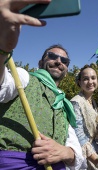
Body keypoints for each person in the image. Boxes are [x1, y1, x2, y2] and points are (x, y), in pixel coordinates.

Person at [0, 1, 84, 169]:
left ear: (67, 69)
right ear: (41, 62)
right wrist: (2, 49)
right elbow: (2, 87)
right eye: (52, 56)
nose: (59, 61)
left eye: (64, 60)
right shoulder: (24, 78)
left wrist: (65, 152)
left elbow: (76, 151)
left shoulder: (63, 103)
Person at [70, 65, 98, 170]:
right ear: (79, 82)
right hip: (83, 154)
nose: (90, 82)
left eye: (93, 78)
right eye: (86, 79)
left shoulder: (92, 101)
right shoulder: (76, 102)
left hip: (93, 149)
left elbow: (95, 126)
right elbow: (79, 134)